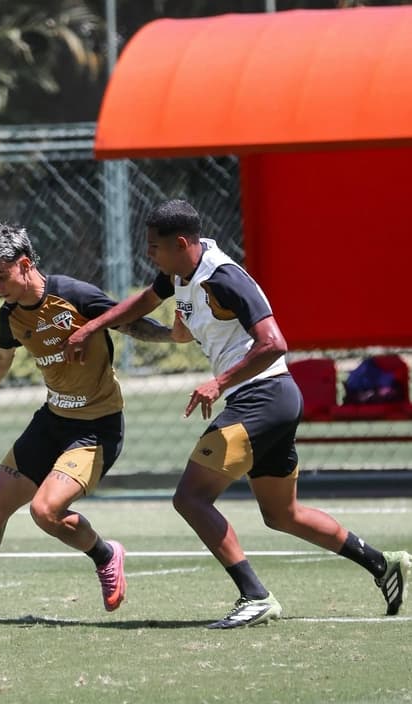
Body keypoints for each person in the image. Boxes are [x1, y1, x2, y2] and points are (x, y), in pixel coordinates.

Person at [63, 198, 411, 628]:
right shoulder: (180, 273)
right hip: (269, 399)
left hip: (263, 397)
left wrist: (219, 382)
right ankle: (382, 564)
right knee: (282, 514)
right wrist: (92, 326)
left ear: (182, 243)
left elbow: (275, 343)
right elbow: (145, 302)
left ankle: (255, 596)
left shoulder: (223, 278)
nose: (148, 253)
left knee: (190, 498)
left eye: (154, 246)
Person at [0, 222, 172, 621]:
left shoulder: (73, 295)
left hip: (95, 428)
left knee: (45, 511)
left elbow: (128, 321)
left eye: (2, 276)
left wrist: (174, 336)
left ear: (26, 264)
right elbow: (2, 352)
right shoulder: (11, 314)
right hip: (51, 421)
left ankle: (105, 554)